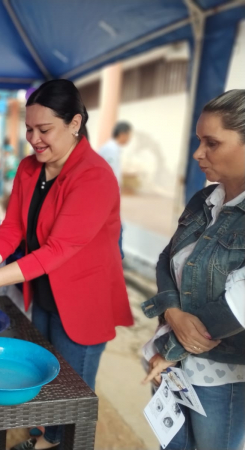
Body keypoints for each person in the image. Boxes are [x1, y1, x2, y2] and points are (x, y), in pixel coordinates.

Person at [0, 79, 134, 449]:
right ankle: (47, 437)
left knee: (73, 393)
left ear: (75, 124)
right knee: (47, 376)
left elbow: (58, 249)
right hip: (46, 292)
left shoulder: (94, 177)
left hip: (84, 300)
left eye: (44, 130)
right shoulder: (30, 169)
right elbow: (13, 228)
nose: (34, 139)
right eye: (29, 129)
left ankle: (61, 442)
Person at [142, 90, 245, 450]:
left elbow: (237, 308)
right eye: (199, 141)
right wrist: (172, 311)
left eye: (211, 143)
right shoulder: (204, 200)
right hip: (175, 361)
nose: (197, 154)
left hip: (223, 373)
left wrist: (169, 347)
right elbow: (165, 259)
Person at [98, 121, 131, 259]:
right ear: (122, 134)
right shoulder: (110, 150)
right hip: (106, 199)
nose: (129, 139)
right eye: (128, 136)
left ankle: (114, 258)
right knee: (116, 229)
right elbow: (108, 177)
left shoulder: (113, 149)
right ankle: (116, 259)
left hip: (109, 199)